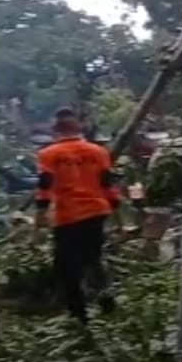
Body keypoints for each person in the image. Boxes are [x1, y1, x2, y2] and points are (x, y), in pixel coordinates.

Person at [34, 108, 119, 323]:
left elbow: (45, 185)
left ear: (55, 130)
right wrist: (116, 211)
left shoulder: (48, 154)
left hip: (68, 216)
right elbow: (108, 184)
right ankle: (106, 296)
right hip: (97, 211)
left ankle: (78, 316)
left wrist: (40, 214)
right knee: (93, 258)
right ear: (79, 128)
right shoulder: (99, 152)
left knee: (67, 266)